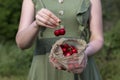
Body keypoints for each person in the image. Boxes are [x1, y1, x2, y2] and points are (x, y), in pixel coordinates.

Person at [16, 0, 104, 80]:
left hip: (78, 65)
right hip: (44, 68)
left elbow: (98, 38)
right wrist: (35, 24)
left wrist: (84, 53)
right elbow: (21, 43)